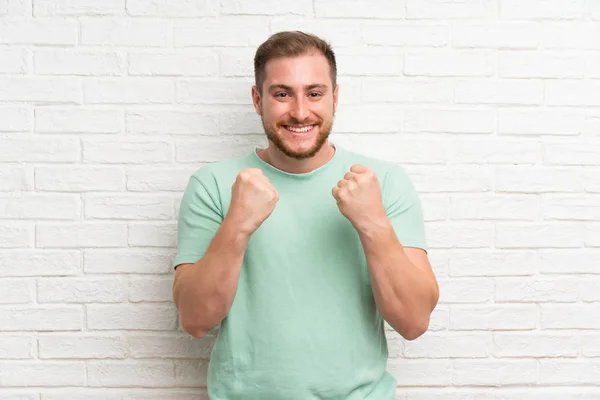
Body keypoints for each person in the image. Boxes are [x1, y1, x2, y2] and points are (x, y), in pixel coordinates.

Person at [172, 30, 439, 400]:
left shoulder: (384, 183)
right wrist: (238, 224)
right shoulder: (214, 185)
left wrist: (371, 221)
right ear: (257, 99)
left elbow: (413, 322)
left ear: (335, 98)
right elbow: (196, 320)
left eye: (314, 93)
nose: (300, 111)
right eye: (282, 94)